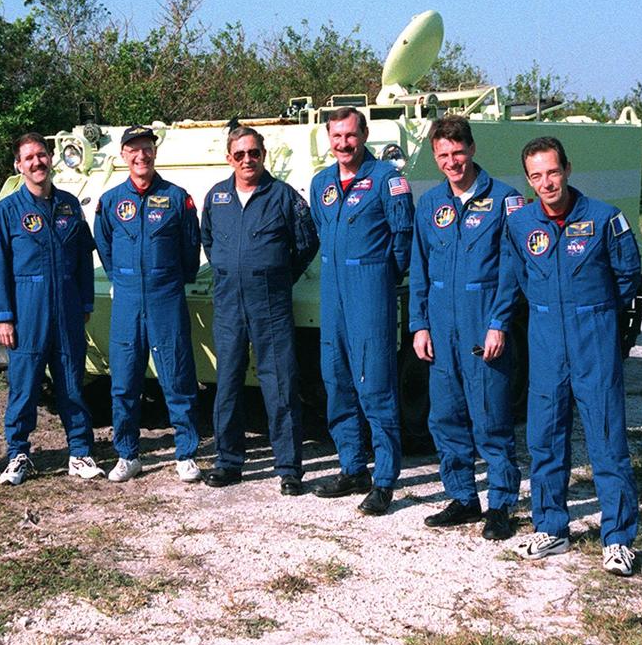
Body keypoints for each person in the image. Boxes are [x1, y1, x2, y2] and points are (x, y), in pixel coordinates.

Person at [499, 136, 642, 576]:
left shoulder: (604, 218)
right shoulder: (520, 224)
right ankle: (552, 528)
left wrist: (596, 315)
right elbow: (516, 277)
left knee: (606, 439)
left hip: (592, 337)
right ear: (528, 179)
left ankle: (617, 538)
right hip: (544, 340)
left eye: (553, 172)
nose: (546, 182)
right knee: (544, 438)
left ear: (568, 169)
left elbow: (627, 276)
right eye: (536, 175)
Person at [410, 116, 524, 540]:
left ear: (472, 149)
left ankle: (501, 504)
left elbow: (512, 270)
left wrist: (499, 323)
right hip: (440, 327)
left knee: (490, 417)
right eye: (443, 155)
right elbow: (419, 268)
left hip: (482, 326)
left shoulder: (504, 201)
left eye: (458, 153)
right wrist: (419, 325)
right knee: (445, 416)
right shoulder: (431, 204)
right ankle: (462, 497)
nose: (452, 162)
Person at [200, 126, 319, 494]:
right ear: (228, 158)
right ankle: (228, 461)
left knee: (280, 383)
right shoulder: (217, 197)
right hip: (228, 303)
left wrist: (277, 276)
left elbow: (306, 243)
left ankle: (288, 467)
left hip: (270, 302)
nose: (247, 160)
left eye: (253, 153)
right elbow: (208, 239)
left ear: (263, 155)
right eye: (240, 154)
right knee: (228, 383)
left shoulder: (283, 196)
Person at [309, 108, 414, 515]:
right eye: (336, 136)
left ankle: (385, 479)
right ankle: (353, 467)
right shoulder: (322, 183)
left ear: (364, 134)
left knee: (375, 384)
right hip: (332, 287)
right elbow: (322, 227)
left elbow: (402, 236)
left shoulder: (388, 179)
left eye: (350, 135)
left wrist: (382, 276)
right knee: (336, 379)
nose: (343, 144)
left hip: (371, 286)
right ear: (329, 138)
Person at [0, 133, 105, 485]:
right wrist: (3, 316)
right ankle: (19, 453)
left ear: (50, 159)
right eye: (29, 158)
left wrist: (85, 302)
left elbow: (84, 257)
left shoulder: (69, 206)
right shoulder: (6, 212)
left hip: (66, 308)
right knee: (24, 386)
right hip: (26, 312)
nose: (37, 163)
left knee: (71, 383)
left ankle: (80, 452)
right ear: (18, 166)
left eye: (41, 156)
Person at [94, 125, 203, 483]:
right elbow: (105, 248)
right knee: (124, 381)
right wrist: (124, 278)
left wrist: (169, 279)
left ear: (155, 153)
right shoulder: (110, 201)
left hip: (165, 295)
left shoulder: (176, 197)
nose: (141, 155)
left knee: (177, 376)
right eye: (134, 150)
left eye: (147, 148)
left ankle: (185, 453)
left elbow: (190, 247)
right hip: (126, 298)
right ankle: (127, 453)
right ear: (123, 155)